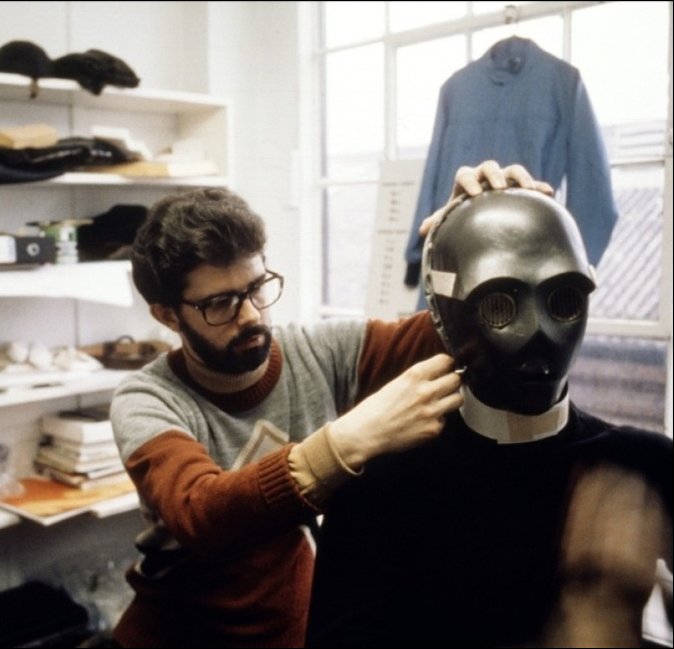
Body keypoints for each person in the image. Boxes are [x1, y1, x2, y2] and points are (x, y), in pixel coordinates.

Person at [108, 162, 546, 647]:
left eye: (257, 287)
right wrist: (346, 443)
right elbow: (200, 514)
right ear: (167, 316)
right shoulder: (146, 399)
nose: (250, 315)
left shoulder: (319, 352)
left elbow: (457, 335)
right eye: (220, 304)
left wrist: (476, 238)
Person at [306, 188, 672, 647]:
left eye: (563, 299)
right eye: (501, 305)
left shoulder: (642, 468)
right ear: (444, 317)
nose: (540, 333)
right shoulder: (380, 487)